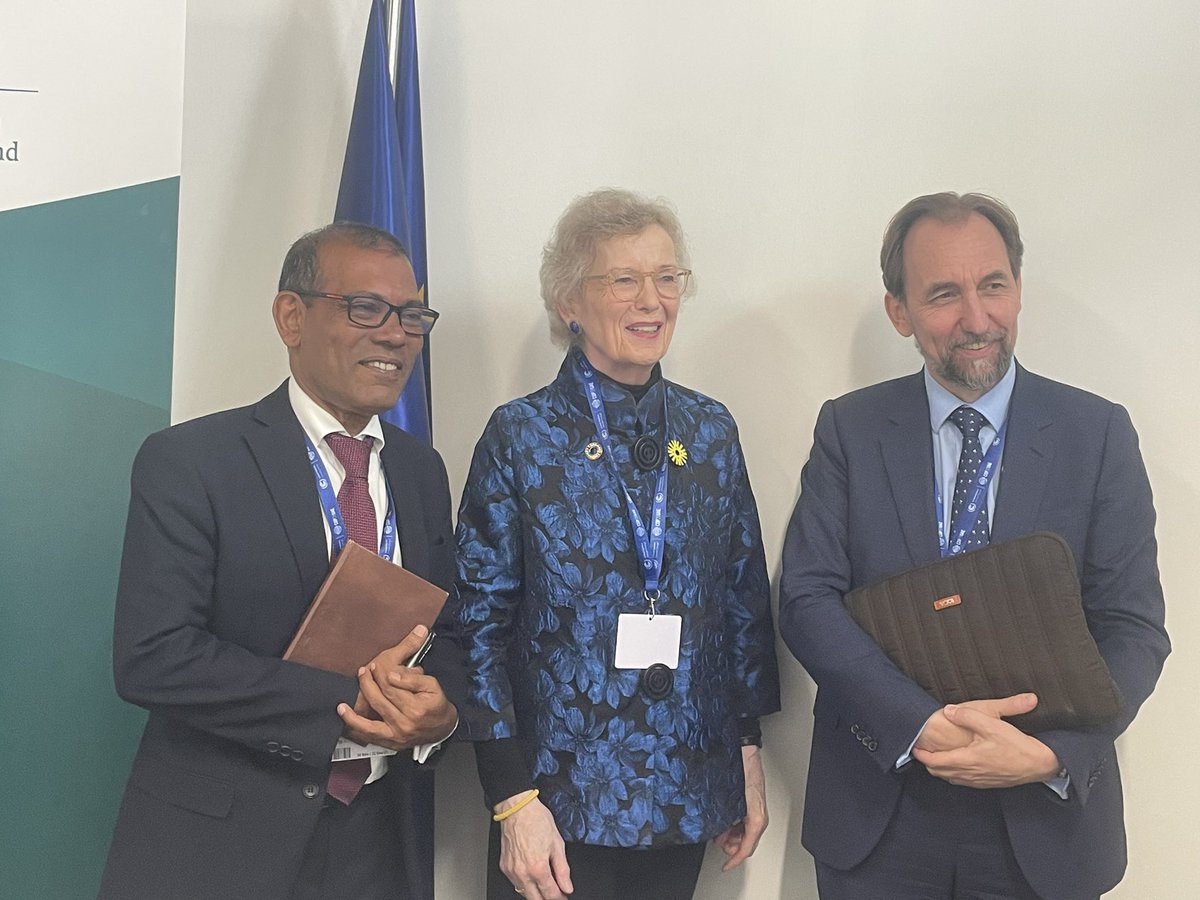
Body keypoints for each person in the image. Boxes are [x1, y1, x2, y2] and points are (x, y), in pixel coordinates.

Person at [779, 192, 1170, 899]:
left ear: (1018, 287)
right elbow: (806, 599)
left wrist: (1050, 755)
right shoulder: (850, 429)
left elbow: (1134, 628)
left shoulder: (1097, 433)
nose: (976, 318)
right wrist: (920, 725)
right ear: (900, 312)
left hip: (1044, 825)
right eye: (943, 295)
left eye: (993, 285)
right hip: (880, 816)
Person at [99, 222, 464, 900]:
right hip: (217, 848)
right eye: (366, 309)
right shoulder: (192, 462)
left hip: (380, 844)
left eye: (412, 315)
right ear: (290, 317)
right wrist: (351, 701)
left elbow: (444, 633)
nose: (396, 334)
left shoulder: (422, 472)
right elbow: (153, 656)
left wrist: (441, 714)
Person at [453, 188, 780, 900]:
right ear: (570, 301)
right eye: (624, 280)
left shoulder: (709, 431)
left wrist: (746, 755)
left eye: (667, 278)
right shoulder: (522, 437)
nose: (651, 300)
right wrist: (510, 798)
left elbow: (740, 602)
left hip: (685, 790)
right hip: (555, 804)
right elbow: (477, 626)